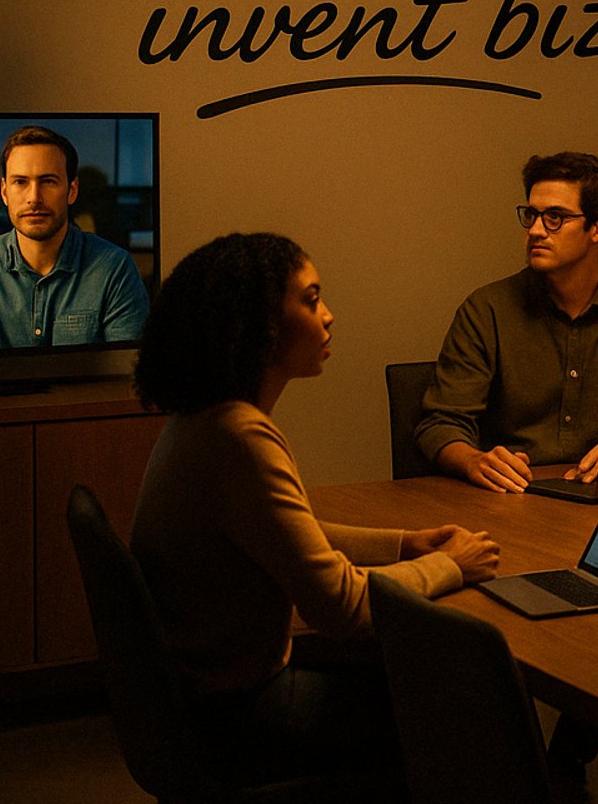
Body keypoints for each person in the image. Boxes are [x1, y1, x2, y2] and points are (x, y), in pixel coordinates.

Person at [130, 233, 499, 787]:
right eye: (310, 300)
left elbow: (288, 532)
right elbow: (343, 611)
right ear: (258, 323)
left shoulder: (203, 420)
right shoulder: (240, 437)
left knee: (416, 675)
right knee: (459, 704)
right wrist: (453, 565)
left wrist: (403, 544)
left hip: (198, 699)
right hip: (241, 713)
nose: (329, 316)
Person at [416, 151, 598, 491]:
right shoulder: (487, 309)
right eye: (532, 215)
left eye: (555, 217)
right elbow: (439, 423)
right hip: (512, 494)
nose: (536, 230)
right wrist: (473, 460)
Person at [0, 125, 150, 351]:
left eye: (48, 181)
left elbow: (128, 370)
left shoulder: (114, 267)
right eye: (20, 182)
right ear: (4, 192)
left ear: (71, 191)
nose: (34, 198)